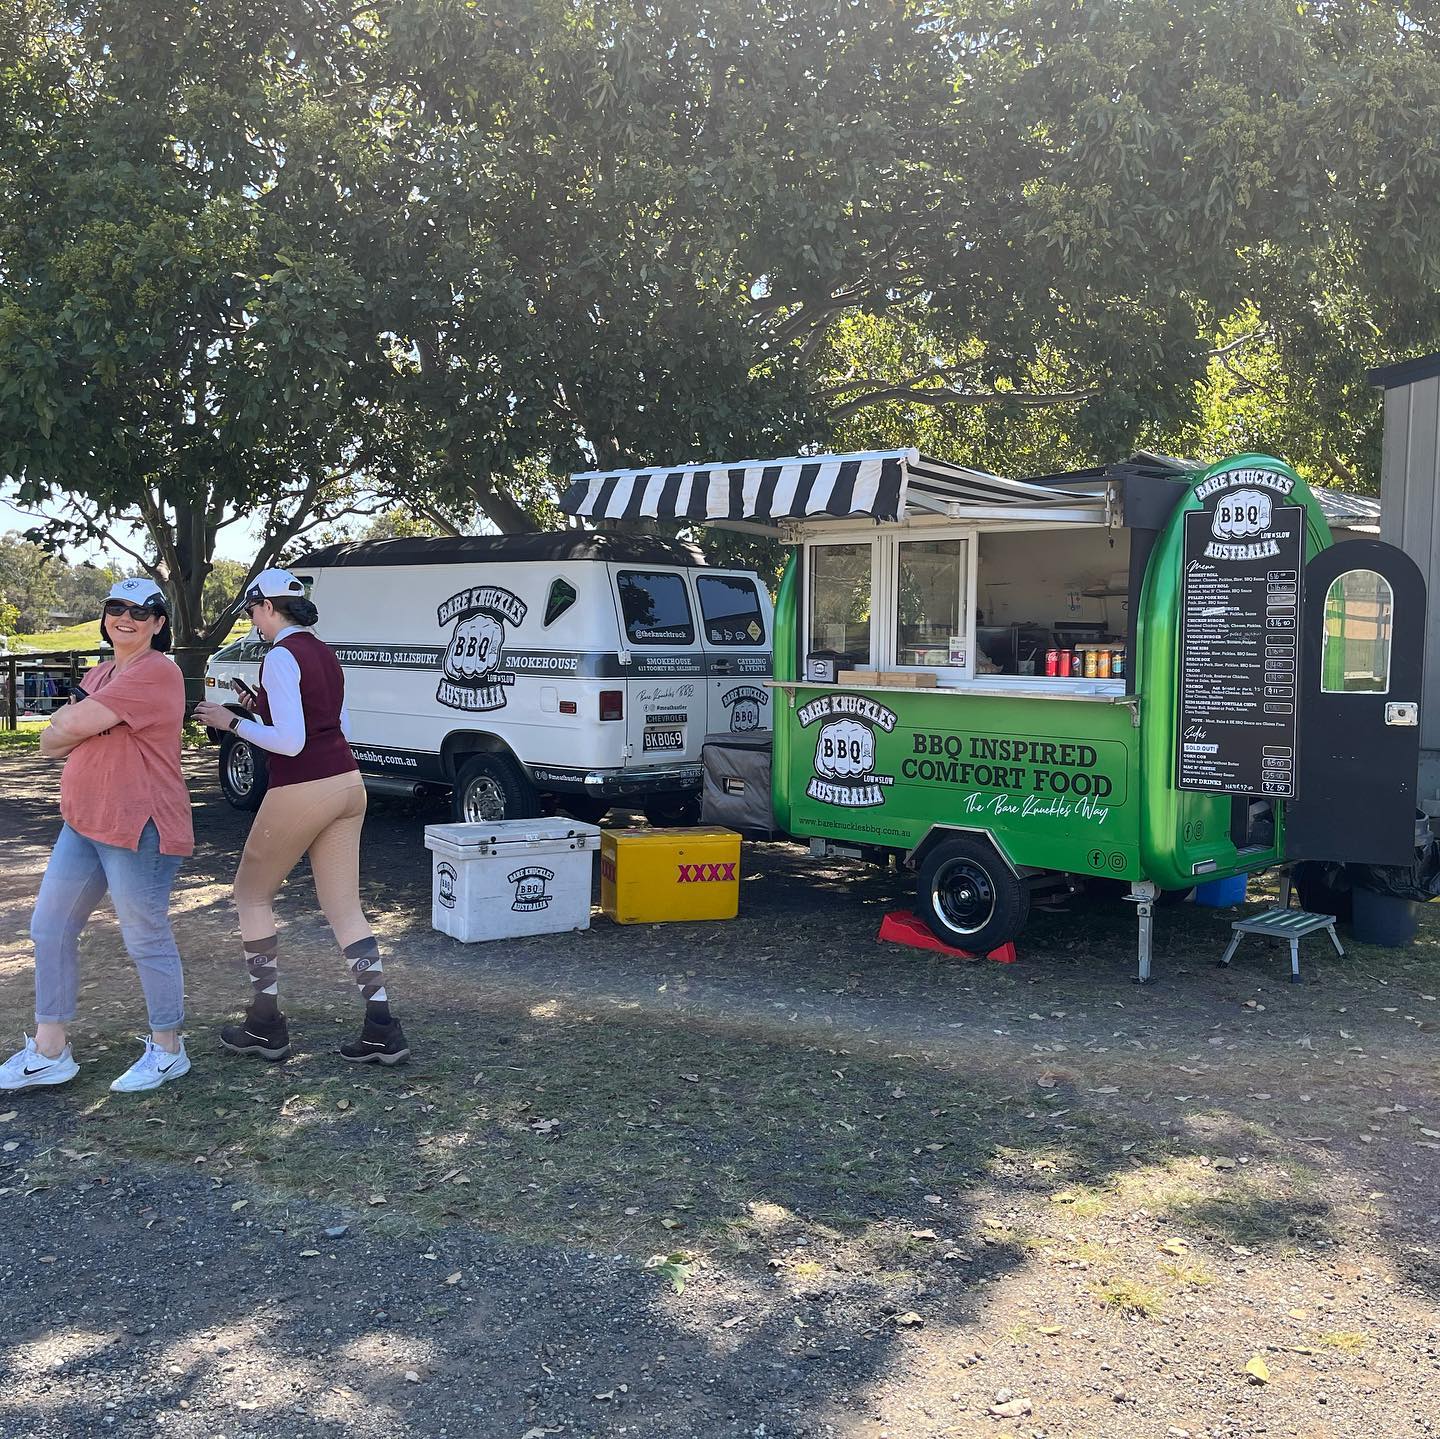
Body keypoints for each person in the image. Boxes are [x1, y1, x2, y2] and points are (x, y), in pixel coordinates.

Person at [192, 568, 409, 1065]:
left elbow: (290, 743)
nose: (253, 622)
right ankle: (381, 1026)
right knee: (344, 908)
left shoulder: (280, 655)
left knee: (250, 894)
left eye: (252, 612)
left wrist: (233, 722)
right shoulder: (324, 652)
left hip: (304, 785)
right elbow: (335, 724)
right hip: (347, 784)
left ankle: (265, 1022)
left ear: (268, 607)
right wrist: (259, 711)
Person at [0, 577, 194, 1094]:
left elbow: (67, 726)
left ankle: (169, 1050)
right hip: (83, 821)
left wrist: (74, 722)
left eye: (139, 610)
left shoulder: (157, 673)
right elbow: (49, 742)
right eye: (115, 608)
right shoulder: (102, 671)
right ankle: (49, 1051)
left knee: (143, 933)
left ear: (158, 623)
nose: (124, 618)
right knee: (48, 927)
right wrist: (74, 723)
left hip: (140, 825)